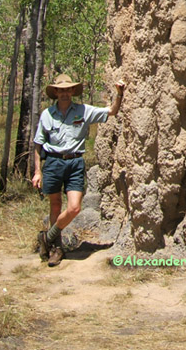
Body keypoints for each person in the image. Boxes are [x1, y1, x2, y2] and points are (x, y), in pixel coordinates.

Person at [32, 73, 125, 267]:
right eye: (61, 90)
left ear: (72, 91)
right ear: (55, 92)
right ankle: (56, 249)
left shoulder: (83, 111)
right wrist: (37, 172)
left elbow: (112, 112)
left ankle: (47, 237)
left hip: (75, 163)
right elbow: (38, 144)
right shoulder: (47, 114)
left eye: (68, 90)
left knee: (74, 207)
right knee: (55, 206)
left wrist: (119, 94)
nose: (64, 93)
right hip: (53, 162)